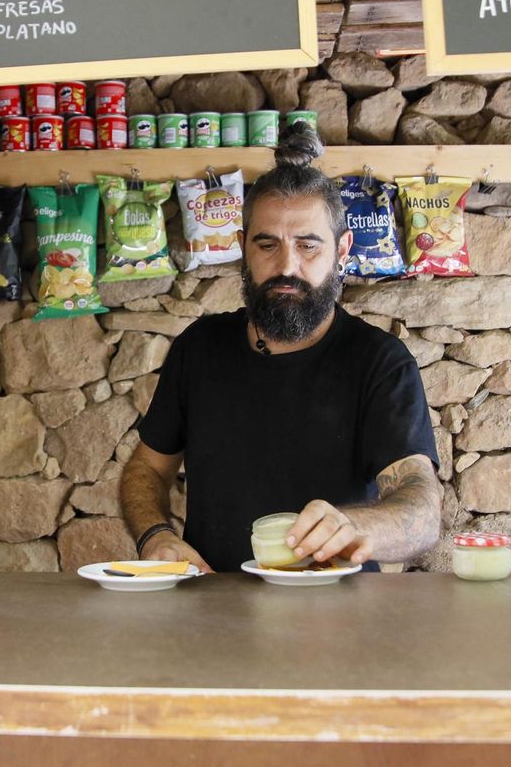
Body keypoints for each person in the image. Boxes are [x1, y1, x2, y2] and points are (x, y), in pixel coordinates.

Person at [120, 124, 444, 573]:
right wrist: (155, 535)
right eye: (267, 245)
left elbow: (422, 509)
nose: (286, 266)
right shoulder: (199, 348)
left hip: (338, 609)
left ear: (341, 251)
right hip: (212, 602)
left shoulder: (380, 362)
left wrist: (354, 525)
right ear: (243, 249)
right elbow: (147, 469)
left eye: (308, 246)